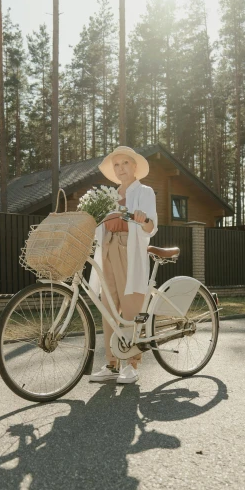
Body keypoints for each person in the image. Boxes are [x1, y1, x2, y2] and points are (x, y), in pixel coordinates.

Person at [89, 146, 158, 385]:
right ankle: (111, 363)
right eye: (116, 165)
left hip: (130, 248)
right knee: (108, 307)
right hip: (107, 248)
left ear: (135, 166)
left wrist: (144, 218)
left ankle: (131, 363)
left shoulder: (145, 191)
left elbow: (151, 227)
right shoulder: (108, 195)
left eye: (125, 163)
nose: (121, 169)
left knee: (130, 307)